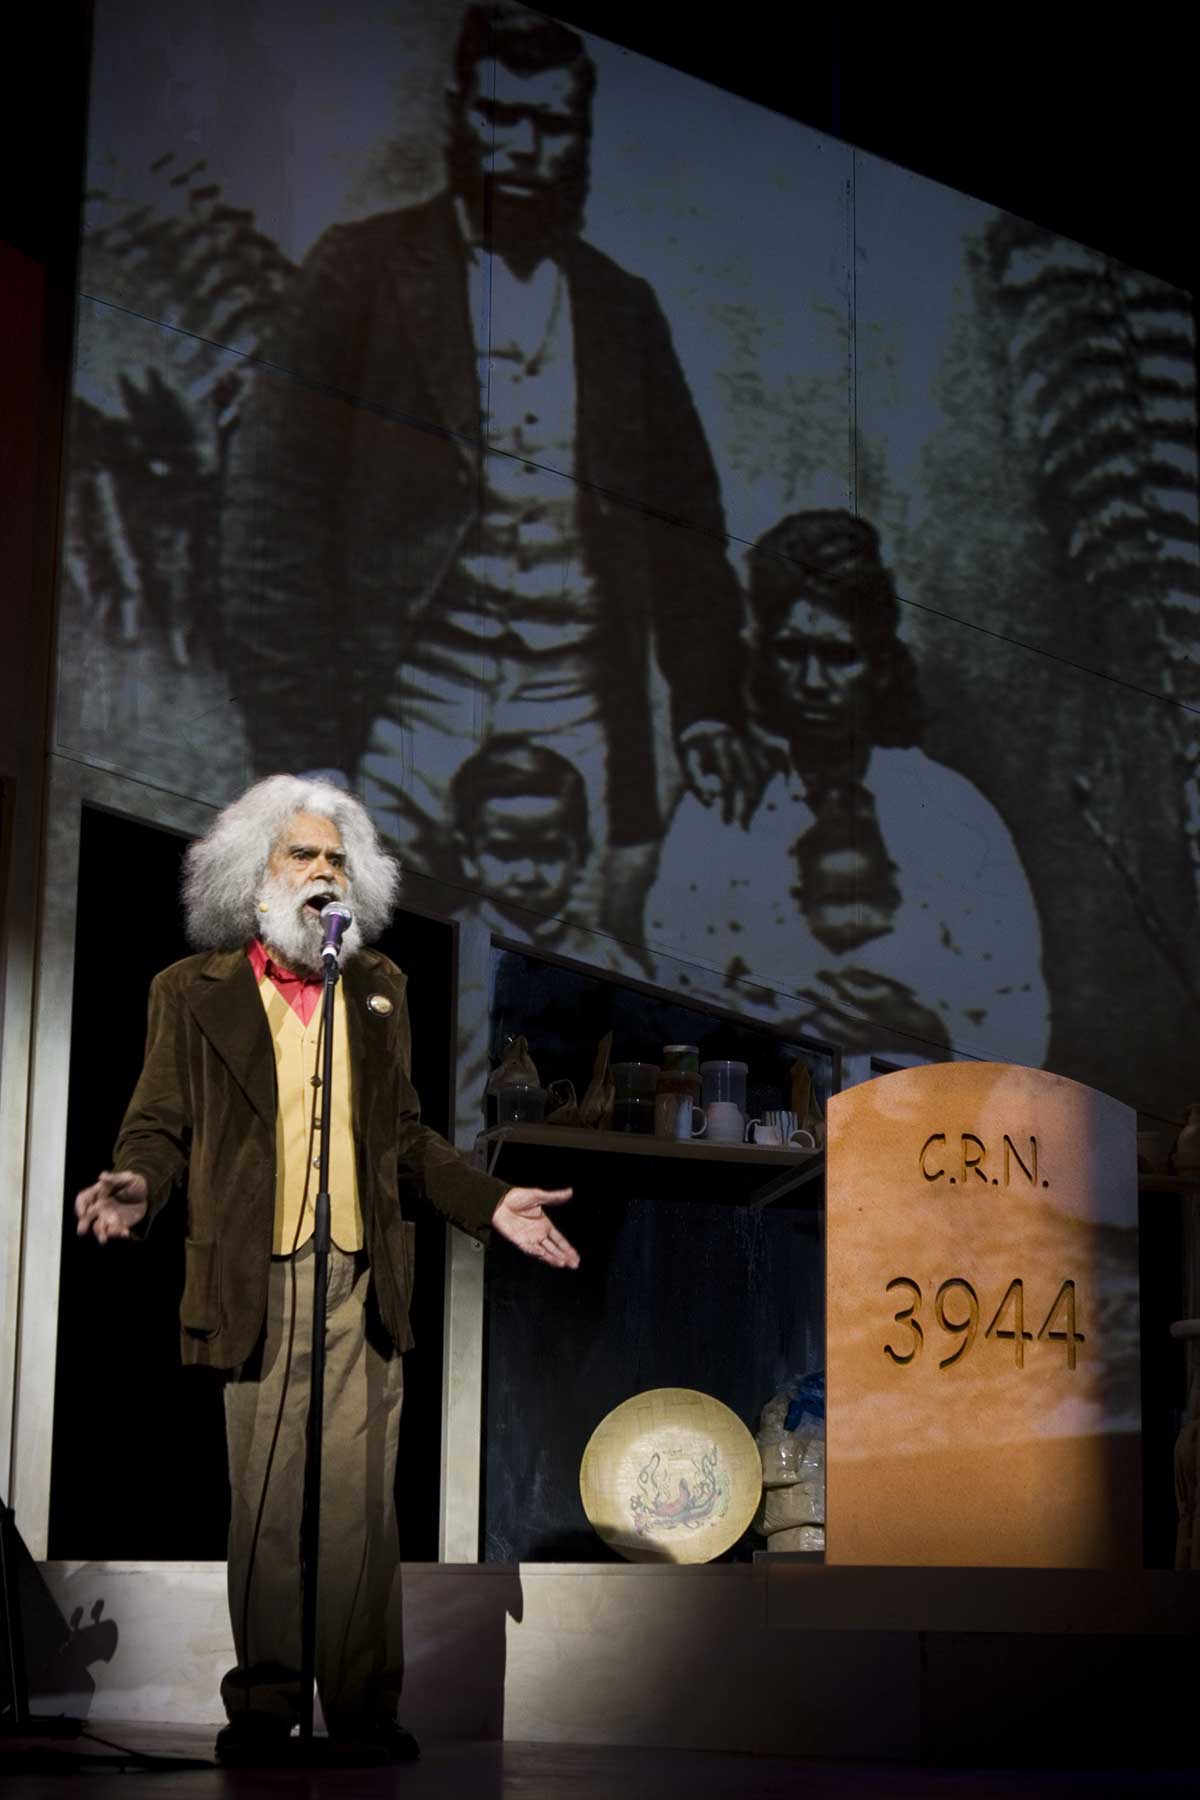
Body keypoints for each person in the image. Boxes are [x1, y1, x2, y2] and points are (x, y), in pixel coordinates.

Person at [219, 4, 756, 940]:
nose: (523, 146)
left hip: (576, 699)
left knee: (569, 963)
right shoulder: (359, 270)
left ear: (577, 142)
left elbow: (689, 532)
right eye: (502, 116)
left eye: (550, 126)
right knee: (370, 956)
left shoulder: (621, 309)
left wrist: (708, 709)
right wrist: (306, 756)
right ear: (460, 112)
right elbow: (269, 521)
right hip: (404, 698)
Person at [73, 775, 579, 1765]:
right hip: (253, 1279)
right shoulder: (190, 991)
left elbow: (403, 1138)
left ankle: (362, 1710)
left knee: (359, 1506)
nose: (321, 873)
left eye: (336, 859)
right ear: (253, 874)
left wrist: (486, 1199)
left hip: (361, 1276)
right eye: (301, 856)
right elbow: (160, 1118)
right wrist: (138, 1181)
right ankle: (263, 1708)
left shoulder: (379, 988)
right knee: (264, 1502)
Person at [645, 511, 1050, 1069]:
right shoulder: (720, 809)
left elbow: (1022, 1021)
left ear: (880, 665)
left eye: (839, 656)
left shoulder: (955, 815)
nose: (812, 682)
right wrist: (775, 1018)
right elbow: (667, 994)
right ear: (765, 659)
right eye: (792, 652)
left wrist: (925, 1028)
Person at [445, 736, 654, 1143]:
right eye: (507, 849)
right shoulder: (465, 960)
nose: (528, 870)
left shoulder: (617, 977)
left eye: (548, 848)